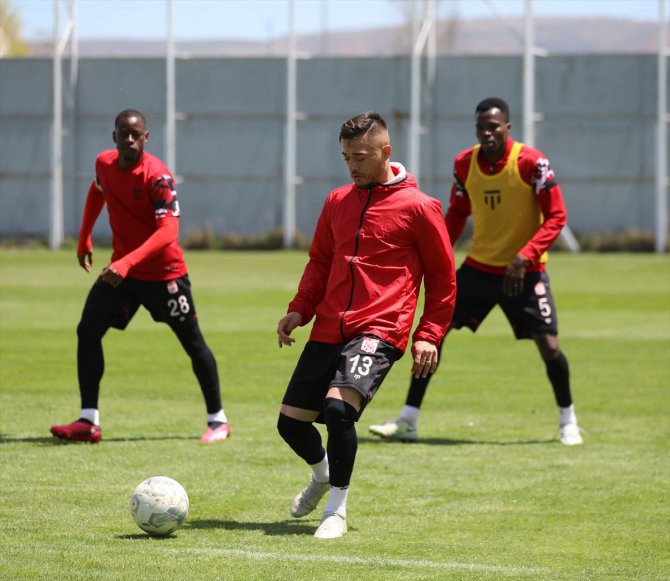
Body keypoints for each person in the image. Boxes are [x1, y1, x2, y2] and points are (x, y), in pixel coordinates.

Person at [276, 111, 456, 539]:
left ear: (385, 152)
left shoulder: (420, 207)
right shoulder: (337, 201)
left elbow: (444, 279)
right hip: (328, 327)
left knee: (339, 409)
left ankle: (336, 511)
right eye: (346, 158)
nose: (352, 166)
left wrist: (428, 335)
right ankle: (322, 476)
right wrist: (300, 309)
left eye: (360, 157)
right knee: (291, 423)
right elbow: (320, 262)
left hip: (381, 328)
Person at [369, 97, 583, 446]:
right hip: (479, 270)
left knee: (549, 345)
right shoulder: (465, 163)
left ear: (507, 128)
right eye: (481, 128)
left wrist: (525, 256)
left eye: (493, 127)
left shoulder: (532, 162)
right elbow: (457, 213)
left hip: (524, 273)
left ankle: (567, 420)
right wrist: (435, 253)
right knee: (433, 335)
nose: (487, 133)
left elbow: (557, 216)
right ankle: (408, 419)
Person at [50, 109, 231, 444]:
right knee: (87, 330)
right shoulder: (104, 163)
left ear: (146, 138)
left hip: (164, 275)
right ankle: (88, 420)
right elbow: (98, 190)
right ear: (114, 137)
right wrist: (84, 236)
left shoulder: (157, 176)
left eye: (136, 134)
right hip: (123, 273)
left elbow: (169, 232)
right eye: (124, 133)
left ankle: (218, 420)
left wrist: (126, 263)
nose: (130, 139)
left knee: (193, 343)